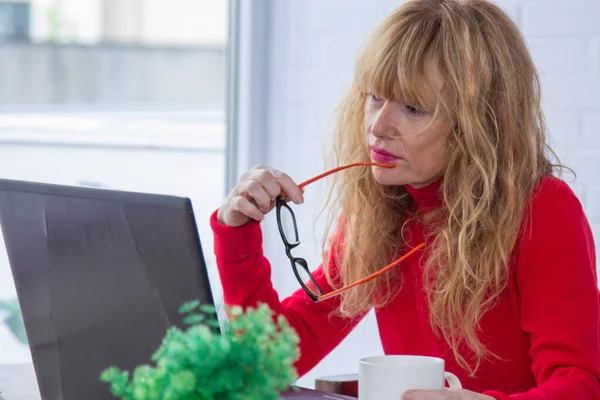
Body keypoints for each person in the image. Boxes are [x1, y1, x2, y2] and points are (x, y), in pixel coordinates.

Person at [210, 0, 600, 398]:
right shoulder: (382, 208)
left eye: (413, 108)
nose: (378, 126)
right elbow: (270, 364)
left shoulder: (544, 209)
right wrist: (237, 237)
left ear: (478, 124)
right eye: (375, 96)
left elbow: (580, 385)